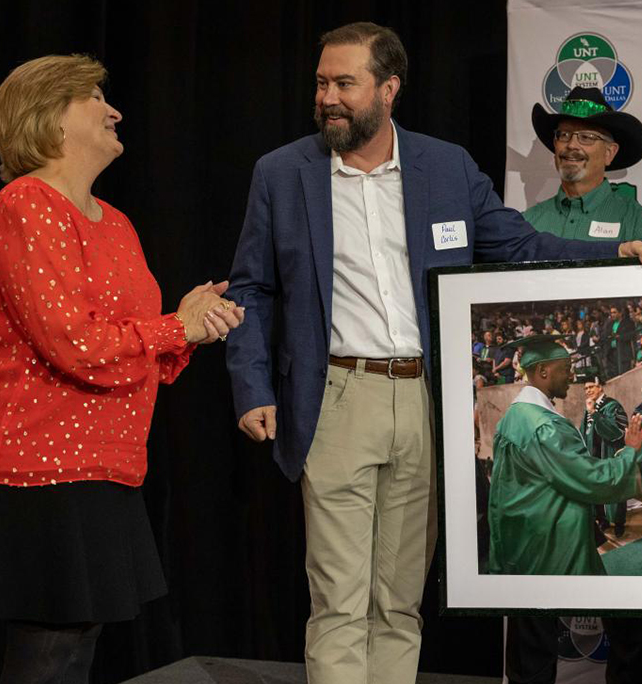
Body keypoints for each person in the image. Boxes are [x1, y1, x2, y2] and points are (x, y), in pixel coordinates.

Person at [225, 22, 642, 684]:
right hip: (335, 398)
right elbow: (252, 289)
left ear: (388, 89)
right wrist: (253, 388)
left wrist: (618, 253)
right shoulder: (282, 174)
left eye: (345, 84)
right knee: (339, 600)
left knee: (398, 601)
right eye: (321, 83)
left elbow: (520, 248)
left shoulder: (445, 167)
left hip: (427, 401)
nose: (328, 97)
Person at [0, 55, 244, 684]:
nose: (114, 110)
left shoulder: (115, 223)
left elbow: (131, 356)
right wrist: (176, 328)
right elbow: (74, 345)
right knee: (48, 650)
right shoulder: (26, 204)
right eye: (94, 97)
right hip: (38, 466)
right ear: (51, 118)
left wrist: (187, 325)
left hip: (105, 463)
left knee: (77, 644)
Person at [488, 336, 642, 684]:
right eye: (565, 370)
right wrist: (631, 451)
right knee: (535, 658)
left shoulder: (519, 416)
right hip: (546, 550)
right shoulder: (542, 425)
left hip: (525, 543)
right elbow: (589, 478)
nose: (571, 377)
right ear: (542, 371)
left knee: (527, 649)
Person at [526, 86, 642, 241]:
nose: (572, 145)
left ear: (609, 153)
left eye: (586, 137)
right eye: (564, 135)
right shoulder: (527, 224)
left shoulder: (636, 221)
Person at [581, 376, 629, 537]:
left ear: (600, 386)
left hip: (609, 454)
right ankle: (602, 518)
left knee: (615, 488)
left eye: (591, 387)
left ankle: (619, 522)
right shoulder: (589, 407)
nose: (588, 391)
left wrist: (594, 413)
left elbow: (616, 433)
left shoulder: (612, 406)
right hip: (594, 455)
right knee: (598, 488)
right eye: (586, 388)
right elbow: (585, 433)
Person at [602, 303, 636, 378]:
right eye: (611, 313)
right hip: (612, 353)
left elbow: (632, 335)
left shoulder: (628, 323)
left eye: (614, 312)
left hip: (623, 353)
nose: (612, 314)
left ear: (620, 313)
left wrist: (619, 337)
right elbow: (605, 336)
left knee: (624, 375)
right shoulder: (610, 324)